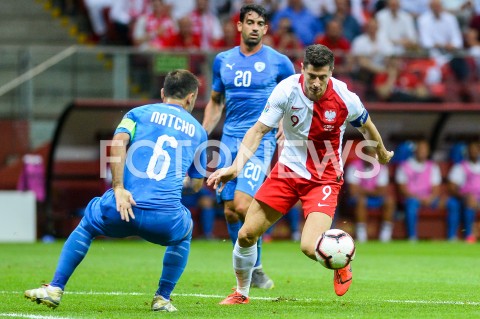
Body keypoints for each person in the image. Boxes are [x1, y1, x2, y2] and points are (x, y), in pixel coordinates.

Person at [207, 44, 394, 304]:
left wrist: (381, 153)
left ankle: (341, 261)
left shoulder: (345, 97)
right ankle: (241, 293)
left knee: (309, 247)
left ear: (331, 73)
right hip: (286, 172)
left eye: (323, 77)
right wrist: (236, 167)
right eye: (312, 76)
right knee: (246, 234)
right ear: (302, 70)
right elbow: (258, 131)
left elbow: (367, 127)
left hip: (324, 178)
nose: (316, 83)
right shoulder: (286, 90)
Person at [24, 69, 208, 312]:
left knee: (88, 223)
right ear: (191, 97)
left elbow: (118, 143)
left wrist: (119, 187)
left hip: (122, 208)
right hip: (164, 220)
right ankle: (162, 298)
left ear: (163, 93)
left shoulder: (137, 114)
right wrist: (172, 184)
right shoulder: (199, 132)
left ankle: (55, 288)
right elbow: (195, 185)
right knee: (184, 231)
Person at [202, 3, 295, 290]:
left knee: (243, 204)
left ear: (266, 29)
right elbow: (216, 101)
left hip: (261, 140)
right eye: (250, 22)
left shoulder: (280, 62)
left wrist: (284, 122)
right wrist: (201, 135)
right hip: (229, 140)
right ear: (239, 25)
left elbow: (295, 97)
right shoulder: (222, 61)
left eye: (260, 24)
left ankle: (252, 264)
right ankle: (253, 267)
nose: (255, 27)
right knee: (230, 210)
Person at [345, 146, 395, 243]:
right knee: (361, 200)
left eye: (373, 154)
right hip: (357, 199)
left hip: (375, 198)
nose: (371, 156)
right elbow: (352, 190)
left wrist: (362, 190)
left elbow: (382, 191)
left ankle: (385, 235)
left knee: (389, 201)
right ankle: (361, 235)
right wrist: (373, 191)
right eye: (368, 154)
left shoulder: (382, 168)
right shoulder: (354, 166)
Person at [395, 139, 442, 241]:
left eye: (425, 150)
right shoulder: (404, 166)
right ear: (415, 151)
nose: (423, 152)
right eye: (420, 149)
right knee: (412, 204)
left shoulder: (433, 166)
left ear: (428, 152)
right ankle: (412, 237)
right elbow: (403, 189)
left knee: (452, 203)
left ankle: (451, 237)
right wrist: (420, 198)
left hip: (430, 199)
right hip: (412, 198)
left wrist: (430, 198)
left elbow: (436, 189)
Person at [446, 140, 480, 243]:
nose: (473, 152)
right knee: (453, 203)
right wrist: (465, 196)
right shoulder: (460, 167)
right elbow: (452, 187)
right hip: (464, 198)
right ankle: (456, 236)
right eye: (471, 150)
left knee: (471, 202)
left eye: (476, 150)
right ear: (467, 152)